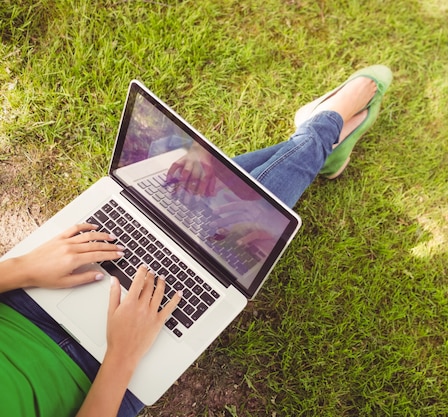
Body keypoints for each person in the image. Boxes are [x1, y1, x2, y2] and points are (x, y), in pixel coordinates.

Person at [0, 65, 392, 417]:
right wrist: (121, 355)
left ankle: (322, 136)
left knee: (166, 189)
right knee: (225, 241)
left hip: (20, 299)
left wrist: (22, 267)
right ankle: (322, 132)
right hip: (93, 383)